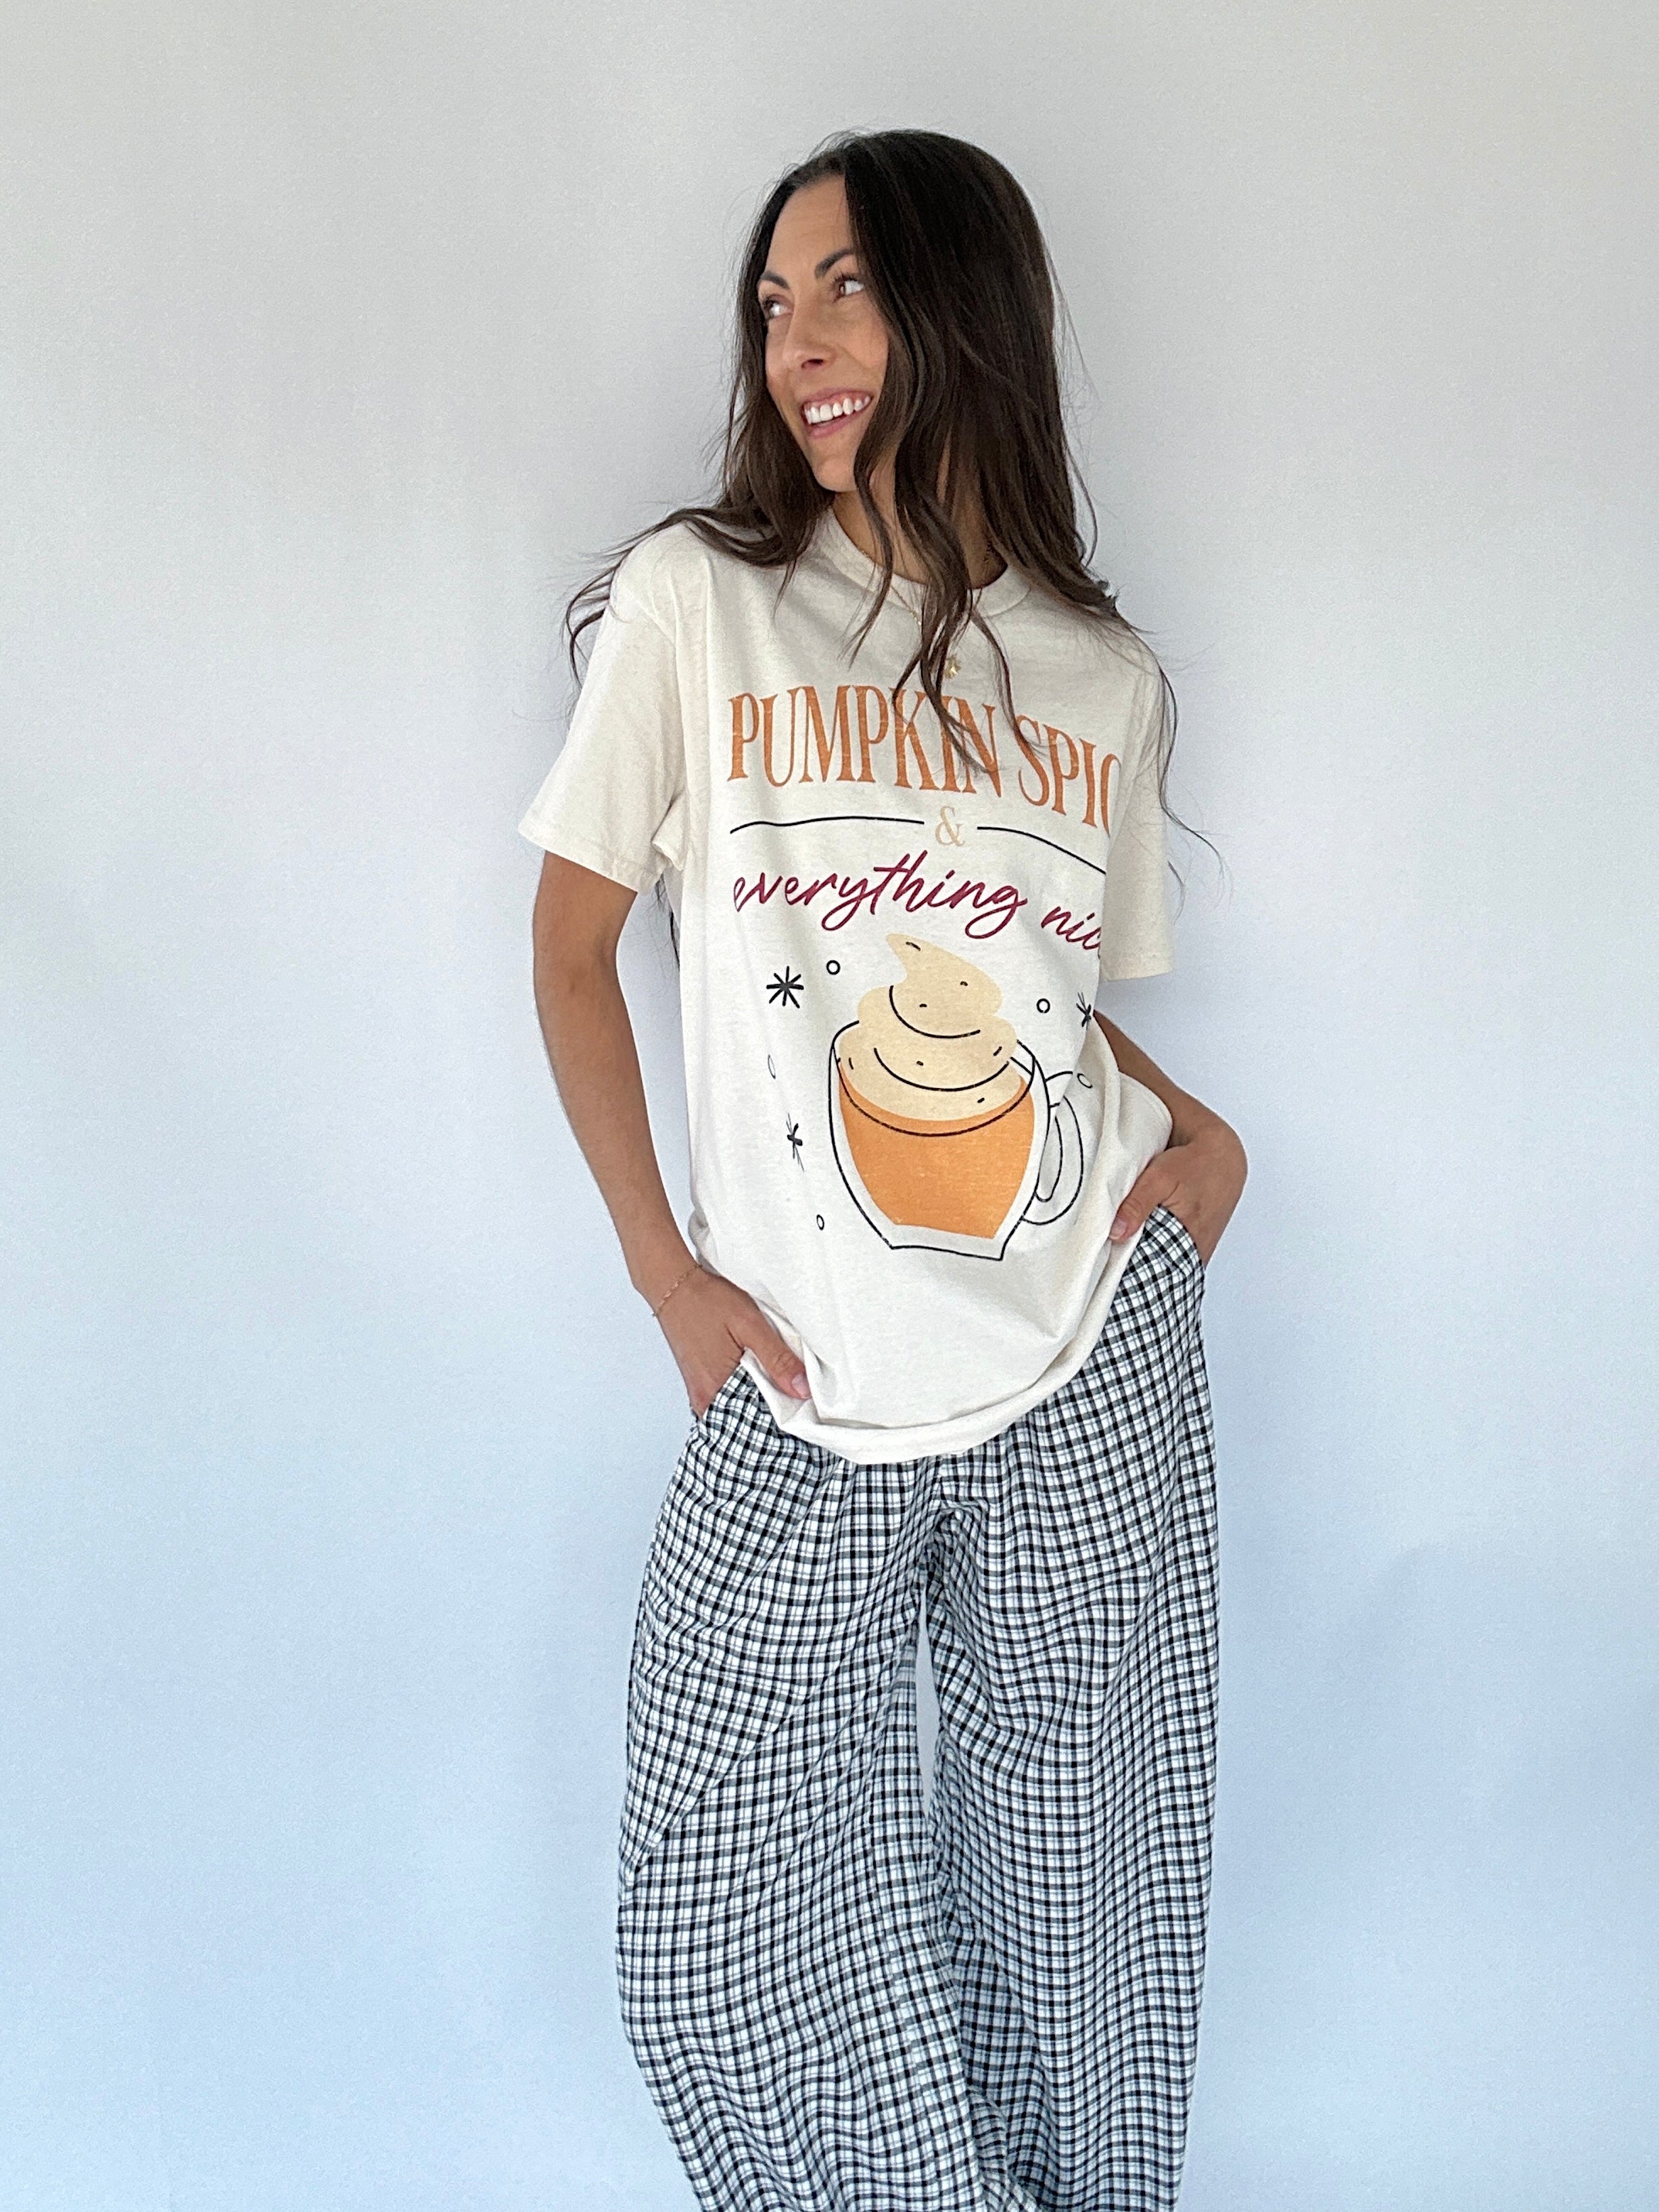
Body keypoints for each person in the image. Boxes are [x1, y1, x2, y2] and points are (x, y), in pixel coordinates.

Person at [524, 128, 1246, 2212]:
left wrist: (1204, 1141)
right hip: (807, 1365)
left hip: (1087, 1343)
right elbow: (571, 951)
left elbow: (1028, 993)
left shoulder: (1101, 679)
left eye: (843, 285)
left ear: (963, 308)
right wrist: (670, 1277)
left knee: (1079, 1923)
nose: (800, 342)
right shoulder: (704, 607)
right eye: (775, 302)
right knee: (717, 1931)